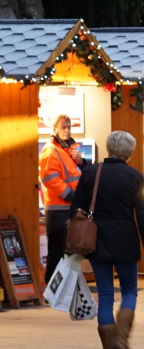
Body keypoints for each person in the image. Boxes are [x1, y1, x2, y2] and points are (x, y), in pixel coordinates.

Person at [71, 131, 144, 349]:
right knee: (130, 291)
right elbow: (143, 216)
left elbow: (75, 209)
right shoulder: (134, 177)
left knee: (106, 297)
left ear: (108, 148)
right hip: (125, 241)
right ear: (129, 152)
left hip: (96, 241)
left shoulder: (90, 173)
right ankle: (121, 338)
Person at [39, 114, 83, 282]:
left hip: (68, 209)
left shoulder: (67, 151)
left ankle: (61, 291)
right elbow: (49, 179)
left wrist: (80, 161)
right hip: (59, 211)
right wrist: (71, 195)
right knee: (57, 254)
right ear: (55, 129)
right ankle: (51, 292)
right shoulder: (51, 150)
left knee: (67, 254)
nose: (67, 130)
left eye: (69, 127)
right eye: (63, 127)